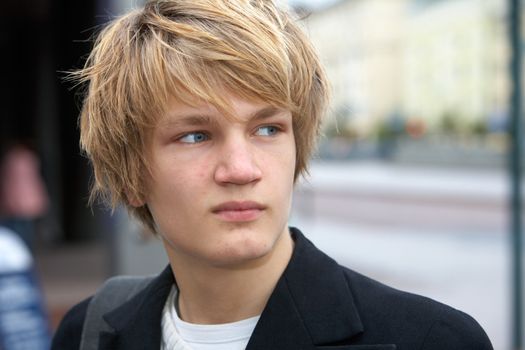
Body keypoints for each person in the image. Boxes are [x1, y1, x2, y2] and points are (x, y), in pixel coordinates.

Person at [52, 1, 494, 349]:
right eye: (195, 136)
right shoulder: (86, 333)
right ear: (131, 176)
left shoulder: (432, 339)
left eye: (268, 129)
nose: (241, 169)